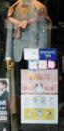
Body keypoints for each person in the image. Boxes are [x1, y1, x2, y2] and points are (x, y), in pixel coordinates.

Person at [5, 0, 51, 130]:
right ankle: (18, 122)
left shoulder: (39, 7)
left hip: (34, 54)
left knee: (34, 88)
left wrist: (42, 55)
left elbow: (43, 33)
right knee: (18, 90)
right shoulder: (13, 9)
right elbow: (9, 34)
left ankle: (33, 121)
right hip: (17, 55)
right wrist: (8, 55)